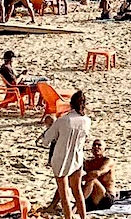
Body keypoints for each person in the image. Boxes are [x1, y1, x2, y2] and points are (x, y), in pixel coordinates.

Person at [42, 91, 91, 219]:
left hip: (61, 159)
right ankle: (83, 217)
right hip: (77, 158)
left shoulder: (63, 120)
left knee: (64, 196)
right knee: (77, 192)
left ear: (70, 104)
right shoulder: (87, 121)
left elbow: (46, 140)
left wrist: (49, 127)